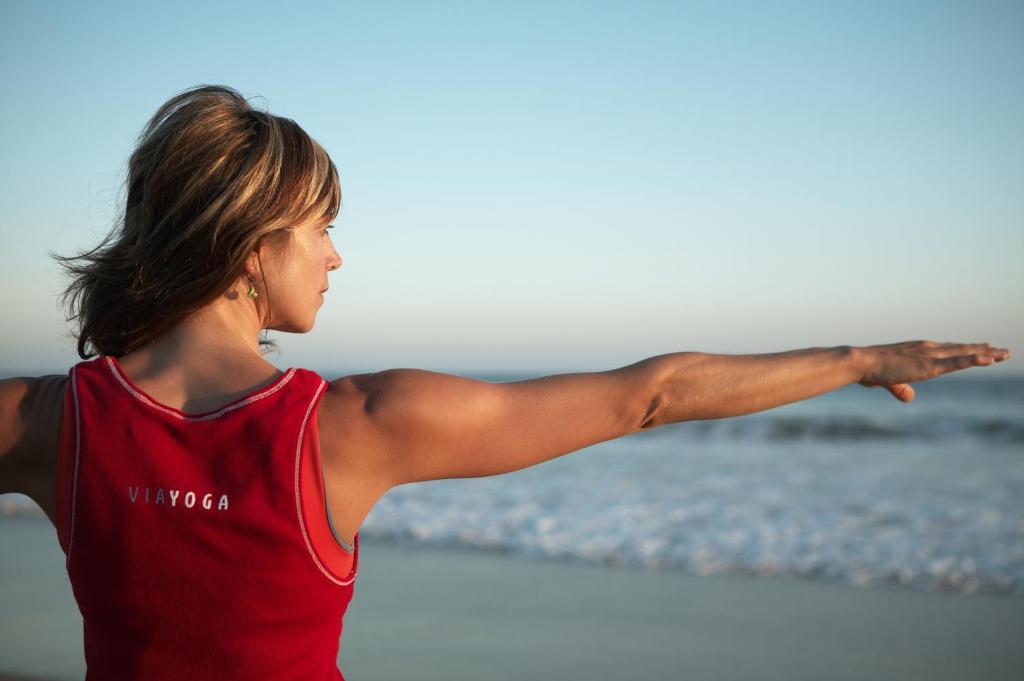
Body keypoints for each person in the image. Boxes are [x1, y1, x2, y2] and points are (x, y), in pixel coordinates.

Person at [0, 84, 1012, 679]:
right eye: (323, 231)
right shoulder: (347, 426)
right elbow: (646, 394)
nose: (335, 259)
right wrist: (858, 361)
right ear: (252, 246)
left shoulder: (46, 421)